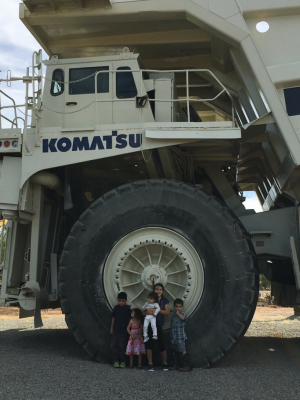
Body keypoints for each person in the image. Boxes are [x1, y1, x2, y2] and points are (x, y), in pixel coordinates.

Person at [142, 283, 169, 372]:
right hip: (150, 324)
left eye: (160, 289)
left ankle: (164, 363)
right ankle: (150, 364)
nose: (158, 291)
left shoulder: (164, 300)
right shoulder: (150, 300)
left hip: (158, 324)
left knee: (161, 344)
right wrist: (148, 311)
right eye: (156, 289)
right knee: (149, 344)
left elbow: (167, 312)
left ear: (162, 291)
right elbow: (143, 312)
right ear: (154, 290)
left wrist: (156, 311)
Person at [110, 292, 131, 368]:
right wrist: (111, 328)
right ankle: (115, 361)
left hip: (124, 330)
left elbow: (129, 319)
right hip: (116, 329)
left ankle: (123, 361)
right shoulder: (116, 308)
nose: (121, 302)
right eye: (119, 301)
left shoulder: (127, 308)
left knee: (122, 346)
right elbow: (113, 318)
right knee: (114, 345)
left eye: (122, 301)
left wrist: (129, 329)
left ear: (125, 301)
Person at [169, 298, 191, 372]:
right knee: (175, 350)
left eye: (180, 307)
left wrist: (178, 313)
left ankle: (187, 365)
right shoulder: (173, 316)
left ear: (182, 307)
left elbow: (183, 319)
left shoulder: (182, 314)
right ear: (174, 307)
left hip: (180, 337)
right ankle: (176, 364)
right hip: (174, 337)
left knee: (183, 350)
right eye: (176, 306)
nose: (178, 308)